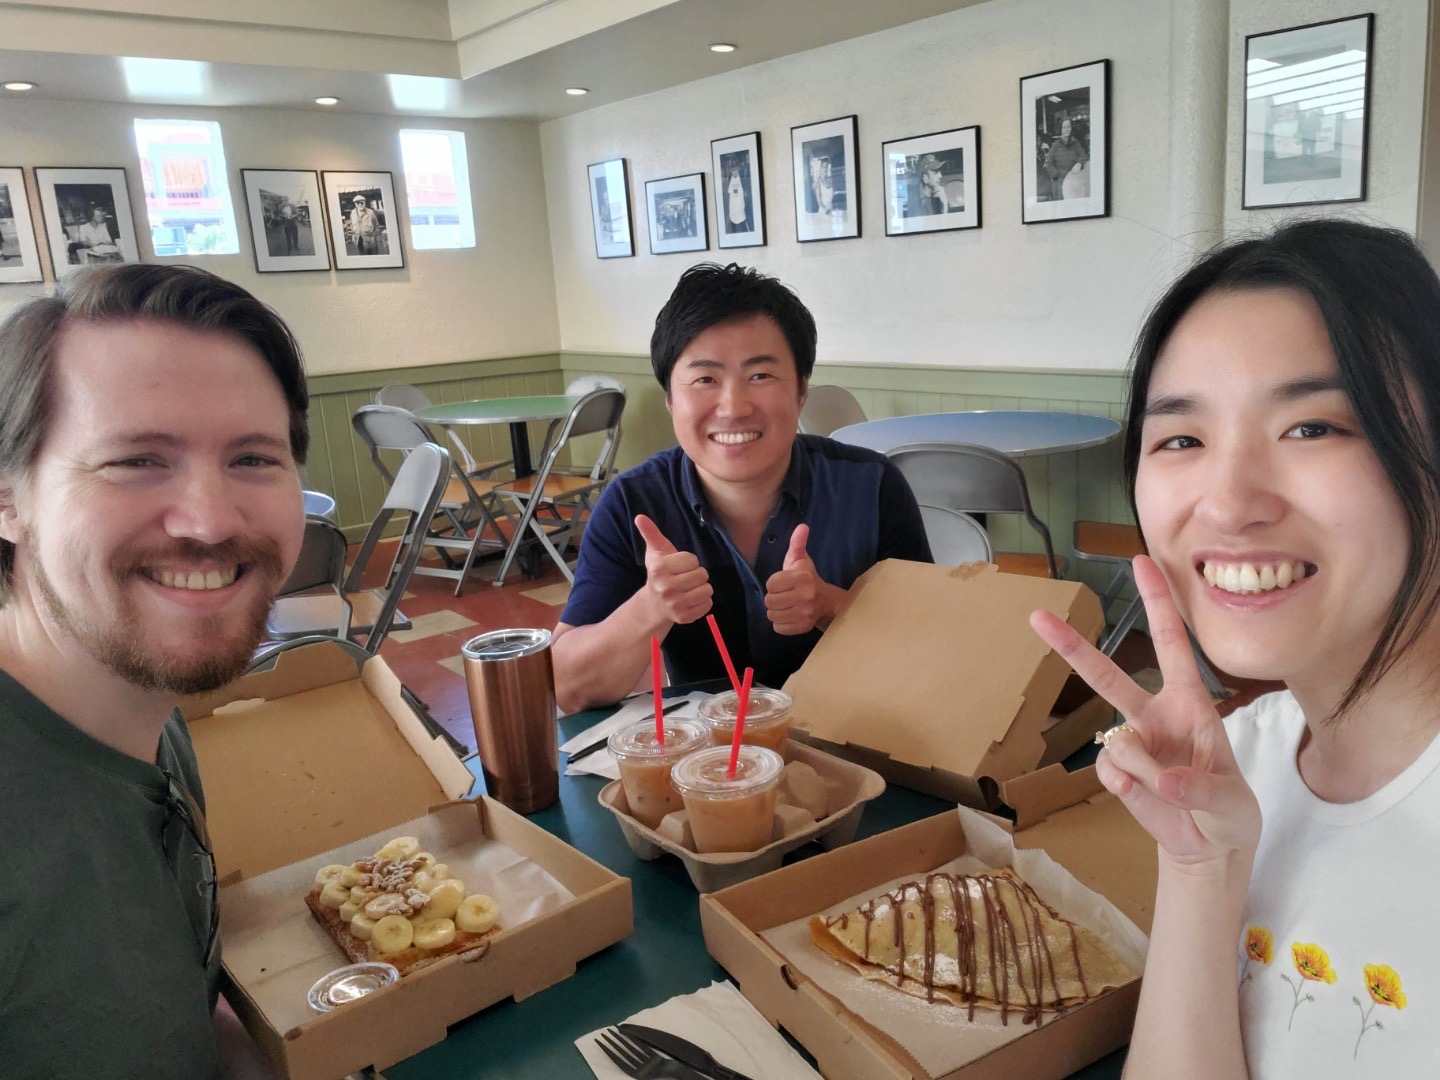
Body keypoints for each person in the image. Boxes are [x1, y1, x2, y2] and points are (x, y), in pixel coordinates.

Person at [1030, 219, 1440, 1077]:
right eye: (1181, 439)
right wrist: (1198, 871)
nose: (1226, 503)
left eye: (1313, 427)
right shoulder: (1237, 761)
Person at [0, 263, 309, 1078]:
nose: (209, 521)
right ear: (8, 499)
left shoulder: (145, 710)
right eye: (135, 460)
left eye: (254, 459)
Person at [551, 262, 931, 712]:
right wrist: (652, 606)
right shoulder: (634, 504)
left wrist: (830, 607)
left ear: (801, 391)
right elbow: (568, 687)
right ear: (670, 399)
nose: (732, 408)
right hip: (710, 751)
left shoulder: (872, 486)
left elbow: (931, 652)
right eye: (705, 379)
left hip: (860, 737)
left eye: (760, 376)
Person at [1043, 117, 1088, 200]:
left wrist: (1079, 163)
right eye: (1064, 127)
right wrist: (1057, 176)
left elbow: (1083, 155)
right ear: (1061, 129)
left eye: (1068, 127)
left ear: (1071, 128)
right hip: (1060, 183)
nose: (1066, 129)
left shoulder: (1075, 143)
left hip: (1074, 181)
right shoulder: (1056, 145)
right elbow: (1049, 163)